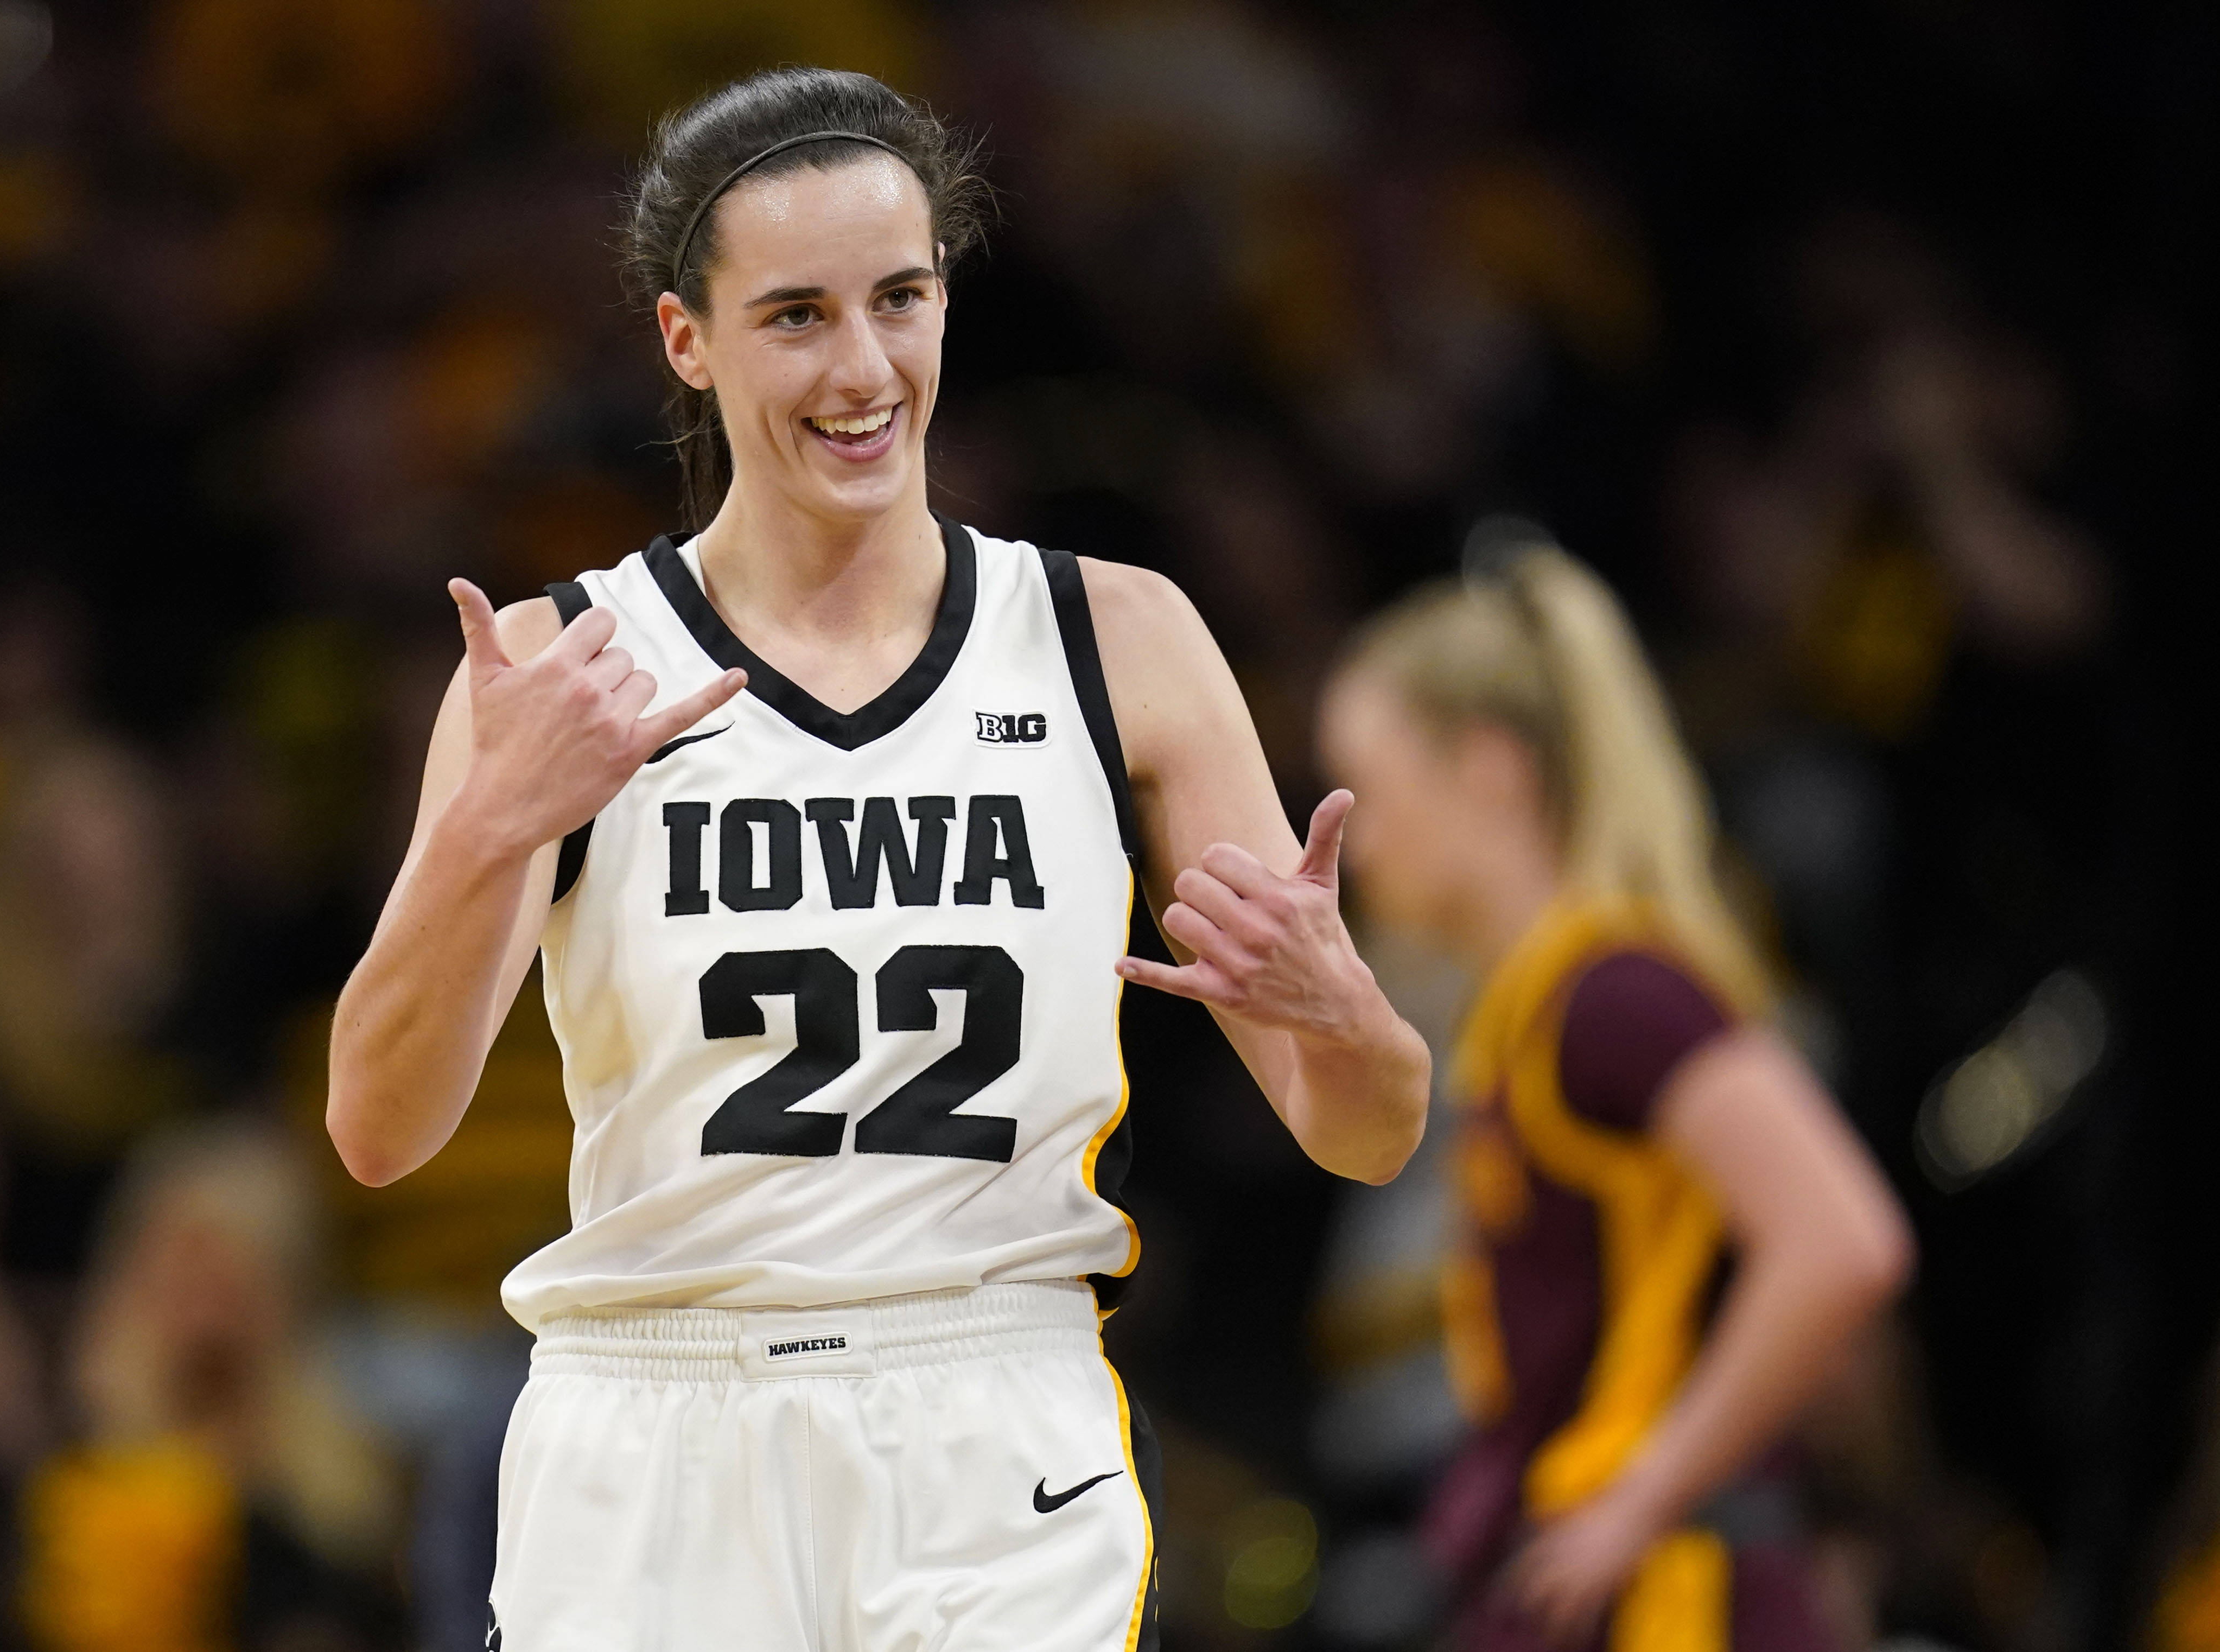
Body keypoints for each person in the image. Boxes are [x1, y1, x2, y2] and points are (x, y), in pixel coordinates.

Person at [324, 67, 1432, 1651]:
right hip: (654, 1418)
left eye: (898, 298)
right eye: (793, 315)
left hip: (991, 1404)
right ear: (683, 341)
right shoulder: (559, 665)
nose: (862, 368)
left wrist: (1339, 1012)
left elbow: (1369, 1129)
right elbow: (376, 1126)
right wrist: (495, 823)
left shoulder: (1116, 638)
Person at [1315, 534, 1913, 1651]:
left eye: (1374, 795)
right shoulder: (1531, 1011)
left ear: (1490, 766)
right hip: (1578, 1583)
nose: (1361, 846)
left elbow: (1845, 1240)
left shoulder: (1618, 994)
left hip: (1678, 1598)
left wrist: (1644, 1496)